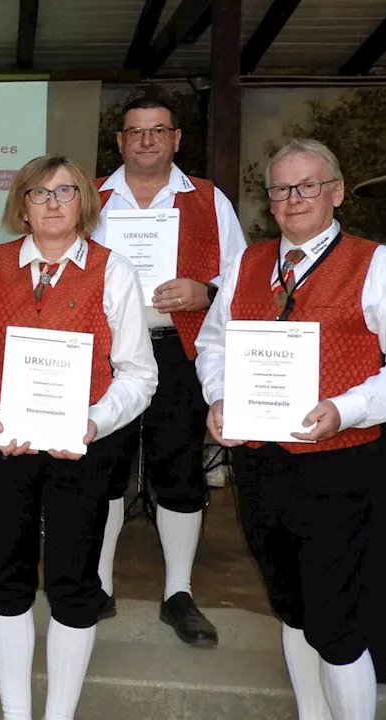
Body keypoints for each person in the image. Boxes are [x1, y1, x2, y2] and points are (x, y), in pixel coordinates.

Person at [197, 139, 386, 720]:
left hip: (340, 462)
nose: (293, 198)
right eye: (281, 188)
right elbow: (214, 344)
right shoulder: (245, 265)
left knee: (334, 619)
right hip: (259, 460)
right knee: (292, 605)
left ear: (335, 193)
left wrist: (348, 407)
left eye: (307, 185)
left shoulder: (379, 265)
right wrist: (219, 396)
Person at [0, 155, 156, 720]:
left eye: (65, 191)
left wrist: (92, 423)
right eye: (40, 193)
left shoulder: (115, 270)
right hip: (2, 443)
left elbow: (139, 372)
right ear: (23, 205)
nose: (54, 202)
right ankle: (16, 712)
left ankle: (58, 714)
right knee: (6, 577)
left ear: (84, 201)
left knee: (74, 580)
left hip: (84, 446)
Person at [91, 96, 246, 645]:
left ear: (177, 139)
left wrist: (202, 291)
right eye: (136, 132)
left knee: (178, 470)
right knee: (101, 466)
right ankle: (98, 584)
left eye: (158, 131)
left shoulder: (209, 200)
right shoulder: (89, 197)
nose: (147, 141)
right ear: (121, 143)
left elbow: (242, 283)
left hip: (180, 350)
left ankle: (178, 593)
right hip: (106, 356)